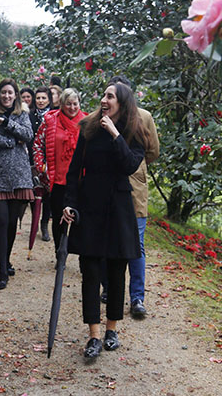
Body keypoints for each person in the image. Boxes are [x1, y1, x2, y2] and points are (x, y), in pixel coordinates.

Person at [62, 81, 148, 358]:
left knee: (115, 273)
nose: (104, 100)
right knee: (90, 272)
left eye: (110, 96)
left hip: (119, 209)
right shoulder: (88, 128)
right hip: (90, 207)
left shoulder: (134, 132)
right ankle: (94, 335)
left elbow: (129, 165)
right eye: (103, 95)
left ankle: (112, 329)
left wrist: (114, 134)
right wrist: (70, 204)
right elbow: (74, 171)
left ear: (122, 103)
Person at [105, 75, 160, 318]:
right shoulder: (103, 118)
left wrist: (135, 164)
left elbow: (152, 151)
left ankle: (137, 297)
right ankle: (108, 287)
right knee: (108, 239)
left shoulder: (144, 117)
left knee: (136, 244)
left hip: (134, 188)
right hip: (108, 186)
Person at [0, 78, 34, 290]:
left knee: (13, 222)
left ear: (16, 95)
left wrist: (5, 123)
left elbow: (28, 135)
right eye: (3, 92)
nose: (6, 96)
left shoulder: (22, 114)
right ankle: (2, 270)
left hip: (20, 176)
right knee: (1, 221)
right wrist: (12, 141)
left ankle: (7, 259)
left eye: (10, 93)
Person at [33, 88, 87, 251]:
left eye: (75, 104)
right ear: (61, 104)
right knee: (57, 218)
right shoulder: (50, 120)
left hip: (80, 179)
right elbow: (37, 145)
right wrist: (41, 167)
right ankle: (59, 252)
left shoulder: (87, 122)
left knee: (80, 218)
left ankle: (79, 252)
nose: (72, 108)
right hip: (57, 179)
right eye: (68, 104)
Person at [28, 86, 52, 241]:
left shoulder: (53, 115)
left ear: (49, 99)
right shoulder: (29, 115)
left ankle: (44, 223)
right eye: (38, 98)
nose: (41, 101)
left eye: (44, 98)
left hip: (49, 160)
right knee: (33, 191)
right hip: (31, 159)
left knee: (48, 194)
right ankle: (34, 218)